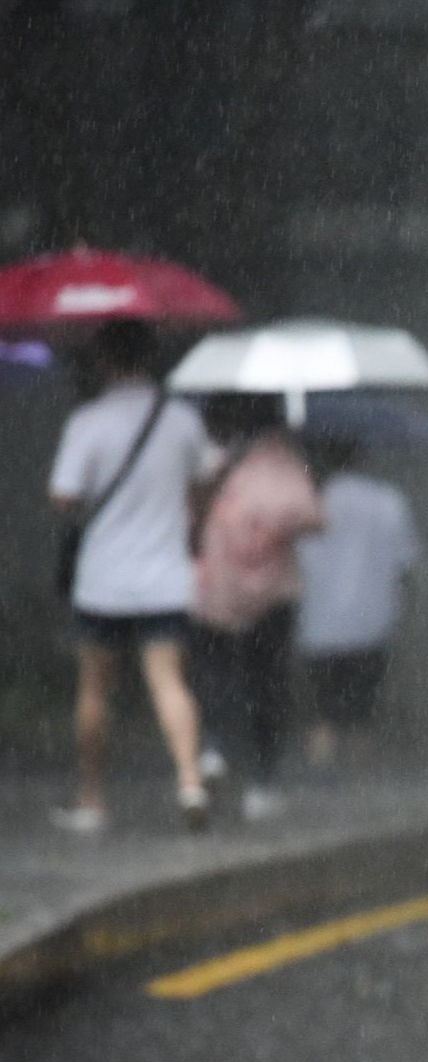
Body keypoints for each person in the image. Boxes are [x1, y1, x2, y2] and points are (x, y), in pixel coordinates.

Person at [46, 318, 215, 833]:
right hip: (165, 575)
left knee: (95, 689)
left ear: (103, 361)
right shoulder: (182, 420)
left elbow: (63, 496)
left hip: (103, 581)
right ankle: (189, 780)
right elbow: (205, 481)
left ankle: (92, 800)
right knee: (168, 682)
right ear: (151, 358)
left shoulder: (89, 422)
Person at [188, 394, 323, 818]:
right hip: (272, 595)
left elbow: (190, 511)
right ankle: (261, 782)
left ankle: (213, 748)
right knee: (267, 684)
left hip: (217, 589)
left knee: (214, 674)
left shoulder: (215, 458)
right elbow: (312, 517)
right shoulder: (283, 460)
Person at [294, 436, 419, 781]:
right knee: (362, 712)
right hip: (371, 622)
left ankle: (319, 782)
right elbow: (405, 564)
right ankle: (360, 783)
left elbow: (296, 563)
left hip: (319, 625)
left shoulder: (312, 503)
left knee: (323, 710)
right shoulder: (390, 502)